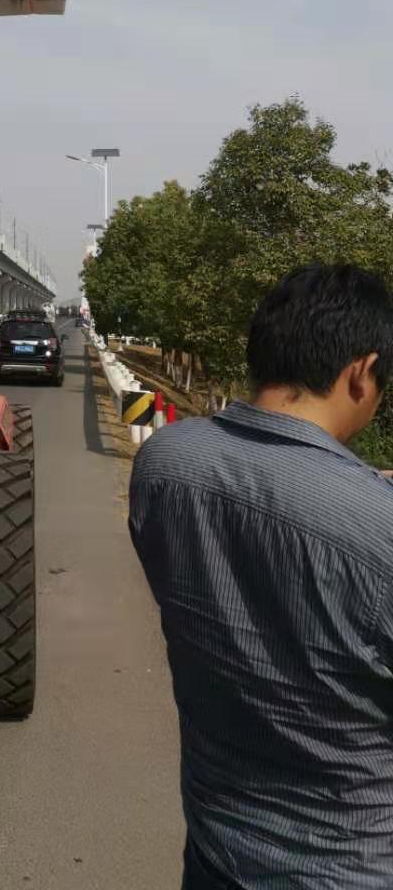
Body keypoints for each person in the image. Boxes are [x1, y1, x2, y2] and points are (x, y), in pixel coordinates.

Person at [130, 264, 393, 889]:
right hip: (349, 866)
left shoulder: (164, 463)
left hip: (218, 846)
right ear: (361, 372)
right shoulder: (378, 528)